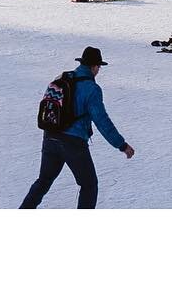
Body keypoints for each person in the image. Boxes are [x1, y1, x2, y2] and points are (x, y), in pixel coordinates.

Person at [19, 46, 135, 210]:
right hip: (73, 143)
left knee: (43, 181)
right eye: (99, 67)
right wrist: (121, 145)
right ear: (94, 66)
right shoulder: (91, 88)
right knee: (89, 185)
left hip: (50, 136)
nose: (98, 71)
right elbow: (102, 121)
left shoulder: (62, 78)